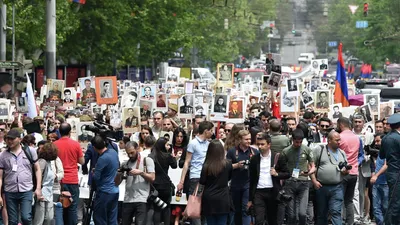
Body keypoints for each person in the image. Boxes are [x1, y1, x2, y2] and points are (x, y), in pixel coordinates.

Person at [0, 128, 43, 225]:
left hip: (26, 189)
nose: (9, 141)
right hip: (10, 191)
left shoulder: (30, 151)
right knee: (13, 220)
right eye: (7, 139)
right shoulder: (3, 155)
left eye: (12, 139)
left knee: (26, 217)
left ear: (19, 139)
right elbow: (0, 177)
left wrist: (38, 188)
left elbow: (37, 169)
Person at [248, 133, 290, 225]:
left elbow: (287, 174)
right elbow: (251, 179)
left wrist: (276, 174)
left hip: (272, 191)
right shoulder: (254, 159)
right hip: (258, 192)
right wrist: (250, 199)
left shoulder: (277, 157)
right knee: (259, 220)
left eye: (262, 144)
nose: (260, 146)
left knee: (272, 219)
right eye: (258, 144)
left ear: (269, 144)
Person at [177, 121, 214, 225]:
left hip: (207, 178)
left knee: (205, 205)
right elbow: (187, 162)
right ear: (206, 131)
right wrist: (182, 181)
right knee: (195, 205)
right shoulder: (193, 143)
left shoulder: (209, 144)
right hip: (195, 177)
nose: (212, 132)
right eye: (211, 130)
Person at [311, 131, 349, 225]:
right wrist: (314, 181)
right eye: (337, 140)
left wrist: (345, 171)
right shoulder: (319, 150)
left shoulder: (342, 153)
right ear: (329, 140)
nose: (339, 142)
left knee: (336, 212)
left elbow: (345, 170)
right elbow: (311, 166)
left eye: (339, 140)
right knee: (321, 213)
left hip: (337, 187)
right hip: (321, 187)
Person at [281, 129, 316, 225]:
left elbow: (313, 166)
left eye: (300, 142)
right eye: (297, 142)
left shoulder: (307, 149)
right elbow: (281, 167)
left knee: (302, 213)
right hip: (290, 183)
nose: (298, 144)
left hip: (303, 183)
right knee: (291, 215)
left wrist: (308, 173)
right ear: (292, 140)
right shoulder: (286, 151)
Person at [115, 141, 155, 225]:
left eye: (132, 153)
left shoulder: (146, 160)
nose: (130, 155)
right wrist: (119, 173)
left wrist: (141, 173)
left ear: (137, 149)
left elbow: (152, 178)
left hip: (142, 199)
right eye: (128, 153)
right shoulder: (125, 164)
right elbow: (116, 183)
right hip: (128, 199)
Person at [54, 123, 85, 225]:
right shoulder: (75, 144)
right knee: (72, 206)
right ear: (70, 132)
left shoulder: (54, 145)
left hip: (59, 180)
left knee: (59, 206)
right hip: (72, 179)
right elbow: (82, 161)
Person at [200, 140, 233, 225]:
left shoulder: (206, 166)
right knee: (222, 222)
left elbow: (202, 182)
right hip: (223, 198)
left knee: (210, 222)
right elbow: (229, 178)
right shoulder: (228, 164)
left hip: (209, 198)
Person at [336, 117, 361, 225]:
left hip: (342, 172)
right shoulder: (357, 138)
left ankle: (339, 221)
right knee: (349, 200)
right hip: (354, 172)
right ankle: (350, 222)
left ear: (341, 125)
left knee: (339, 199)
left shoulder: (339, 137)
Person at [148, 138, 177, 225]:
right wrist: (173, 156)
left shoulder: (151, 156)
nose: (168, 146)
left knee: (157, 208)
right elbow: (174, 166)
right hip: (165, 184)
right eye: (167, 144)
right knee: (167, 207)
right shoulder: (167, 156)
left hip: (155, 185)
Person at [91, 135, 119, 225]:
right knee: (112, 218)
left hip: (104, 191)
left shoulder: (102, 158)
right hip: (115, 190)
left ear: (94, 147)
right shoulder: (113, 152)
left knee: (99, 218)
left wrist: (94, 173)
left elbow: (96, 178)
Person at [379, 113, 400, 224]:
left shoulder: (385, 138)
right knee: (395, 203)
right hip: (397, 173)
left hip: (391, 172)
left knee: (394, 200)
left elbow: (382, 155)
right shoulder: (398, 138)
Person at [33, 142, 59, 225]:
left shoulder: (48, 162)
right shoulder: (42, 162)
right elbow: (37, 177)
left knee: (49, 217)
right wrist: (38, 190)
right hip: (42, 193)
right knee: (39, 220)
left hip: (49, 193)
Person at [371, 133, 388, 225]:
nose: (376, 143)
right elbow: (375, 165)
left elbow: (386, 165)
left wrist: (376, 175)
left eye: (378, 141)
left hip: (385, 183)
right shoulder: (377, 151)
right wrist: (373, 174)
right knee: (376, 207)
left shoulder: (387, 151)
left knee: (386, 207)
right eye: (375, 141)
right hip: (376, 183)